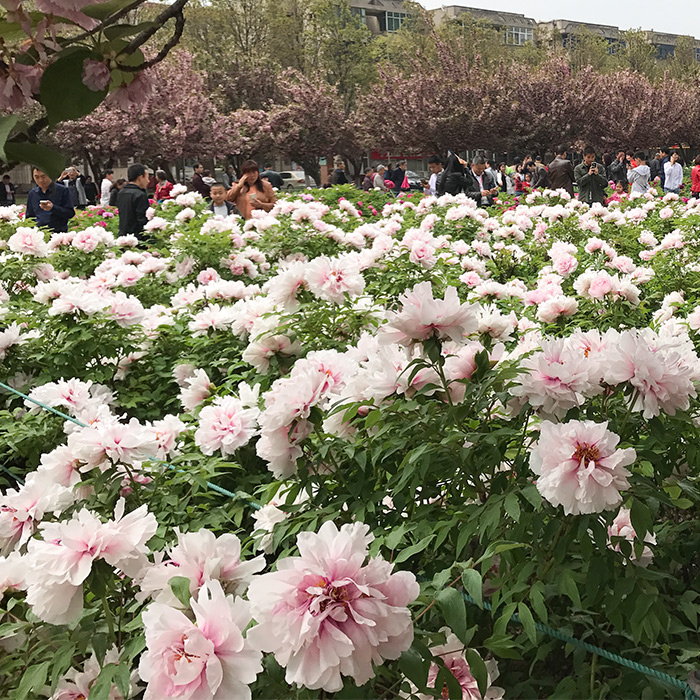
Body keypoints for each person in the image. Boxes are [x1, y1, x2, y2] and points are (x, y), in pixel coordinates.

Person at [25, 166, 75, 232]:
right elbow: (29, 217)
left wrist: (53, 208)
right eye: (37, 177)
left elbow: (70, 213)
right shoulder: (32, 193)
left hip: (58, 233)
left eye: (43, 176)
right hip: (38, 234)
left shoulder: (63, 190)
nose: (40, 180)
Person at [117, 163, 150, 238]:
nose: (148, 181)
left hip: (123, 236)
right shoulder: (140, 195)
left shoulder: (121, 192)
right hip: (136, 238)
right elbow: (142, 220)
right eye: (147, 178)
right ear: (140, 178)